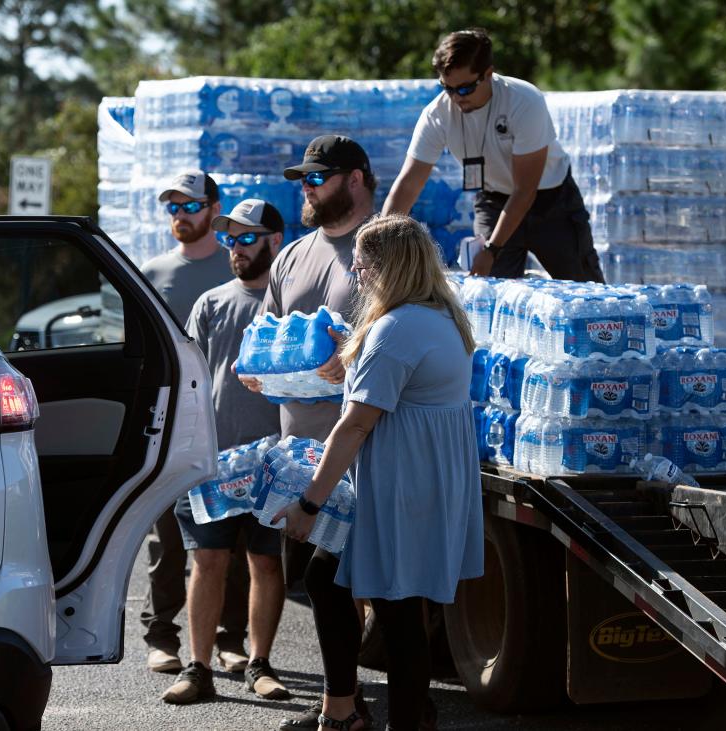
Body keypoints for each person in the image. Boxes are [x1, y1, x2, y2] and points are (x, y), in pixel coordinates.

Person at [274, 214, 485, 731]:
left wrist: (309, 503)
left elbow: (354, 426)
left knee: (395, 608)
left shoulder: (396, 329)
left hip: (403, 484)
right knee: (336, 581)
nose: (360, 277)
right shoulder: (438, 315)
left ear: (389, 268)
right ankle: (344, 709)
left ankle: (393, 718)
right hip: (421, 478)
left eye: (364, 266)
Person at [237, 135, 375, 729]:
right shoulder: (292, 255)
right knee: (323, 583)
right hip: (301, 448)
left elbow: (412, 324)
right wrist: (256, 370)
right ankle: (349, 700)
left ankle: (348, 706)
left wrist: (355, 351)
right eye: (304, 178)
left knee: (345, 580)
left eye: (320, 177)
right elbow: (268, 335)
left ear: (357, 179)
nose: (308, 188)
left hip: (365, 445)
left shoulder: (384, 246)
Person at [163, 199, 290, 705]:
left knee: (265, 563)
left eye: (246, 238)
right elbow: (190, 383)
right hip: (215, 461)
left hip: (275, 463)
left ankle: (259, 664)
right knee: (207, 560)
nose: (234, 249)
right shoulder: (212, 303)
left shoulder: (290, 306)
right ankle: (198, 668)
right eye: (229, 239)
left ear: (274, 242)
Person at [382, 28, 605, 283]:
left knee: (584, 286)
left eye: (464, 89)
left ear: (488, 74)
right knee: (489, 293)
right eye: (447, 88)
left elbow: (524, 191)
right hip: (494, 200)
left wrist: (491, 249)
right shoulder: (437, 114)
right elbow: (408, 183)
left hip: (550, 202)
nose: (455, 98)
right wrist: (379, 239)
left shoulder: (524, 101)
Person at [140, 169, 250, 675]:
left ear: (212, 208)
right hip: (173, 427)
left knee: (231, 535)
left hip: (229, 425)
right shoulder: (152, 271)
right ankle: (161, 635)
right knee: (167, 536)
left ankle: (231, 640)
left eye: (189, 206)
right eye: (172, 208)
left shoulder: (236, 270)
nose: (180, 216)